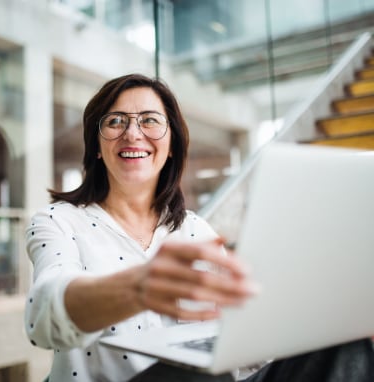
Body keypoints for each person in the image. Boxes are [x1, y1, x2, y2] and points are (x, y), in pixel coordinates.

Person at [25, 73, 374, 382]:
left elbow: (239, 343)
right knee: (198, 376)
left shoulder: (196, 229)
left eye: (149, 120)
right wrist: (135, 288)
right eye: (115, 121)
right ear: (97, 147)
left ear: (172, 145)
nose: (133, 133)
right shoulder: (59, 220)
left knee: (347, 343)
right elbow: (44, 314)